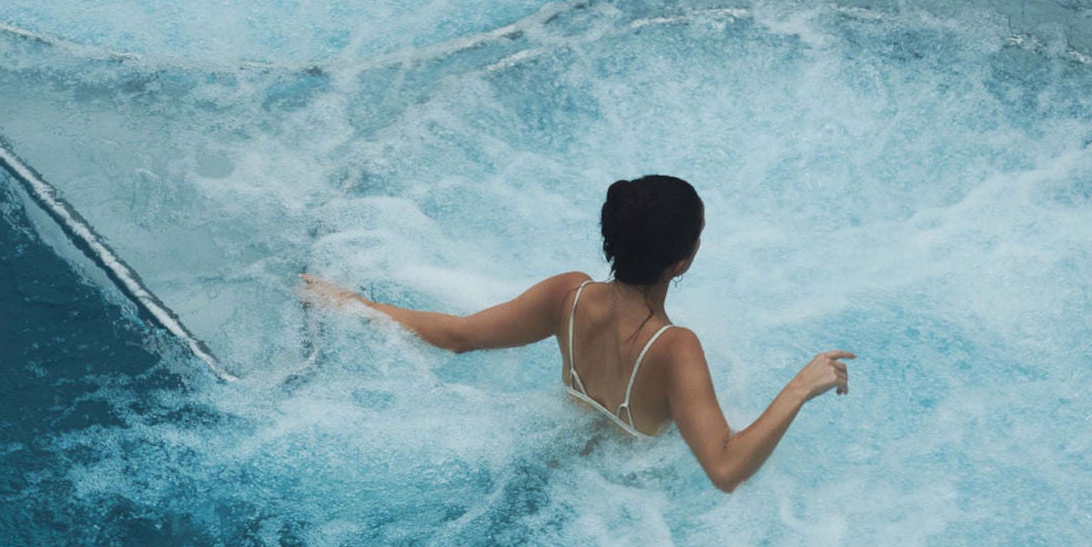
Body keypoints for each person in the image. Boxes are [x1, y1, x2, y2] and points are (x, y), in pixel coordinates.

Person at [300, 175, 852, 493]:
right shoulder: (675, 348)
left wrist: (352, 303)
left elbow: (456, 337)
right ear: (682, 263)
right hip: (626, 496)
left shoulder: (568, 296)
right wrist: (799, 388)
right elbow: (726, 469)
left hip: (560, 460)